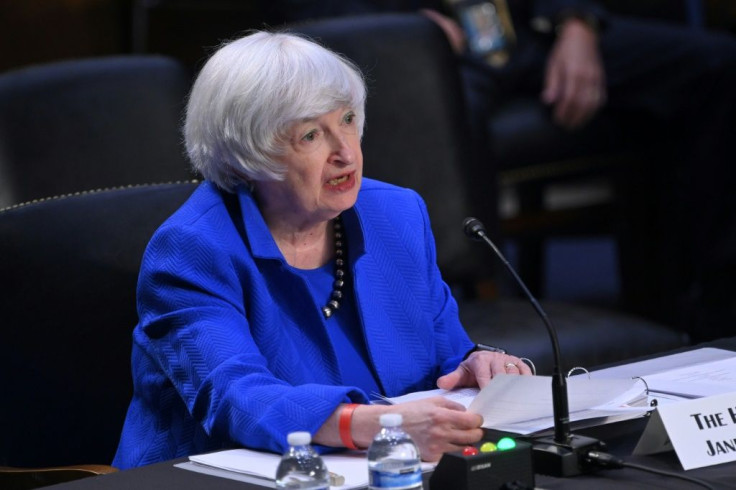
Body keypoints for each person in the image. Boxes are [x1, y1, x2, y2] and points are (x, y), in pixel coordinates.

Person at [112, 30, 532, 470]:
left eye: (347, 120)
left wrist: (475, 364)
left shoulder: (396, 215)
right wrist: (382, 425)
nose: (346, 153)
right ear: (246, 155)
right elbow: (237, 398)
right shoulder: (191, 250)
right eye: (311, 135)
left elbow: (444, 352)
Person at [269, 0, 736, 342]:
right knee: (441, 113)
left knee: (718, 65)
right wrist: (400, 26)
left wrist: (577, 22)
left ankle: (715, 309)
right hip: (425, 36)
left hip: (527, 27)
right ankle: (477, 316)